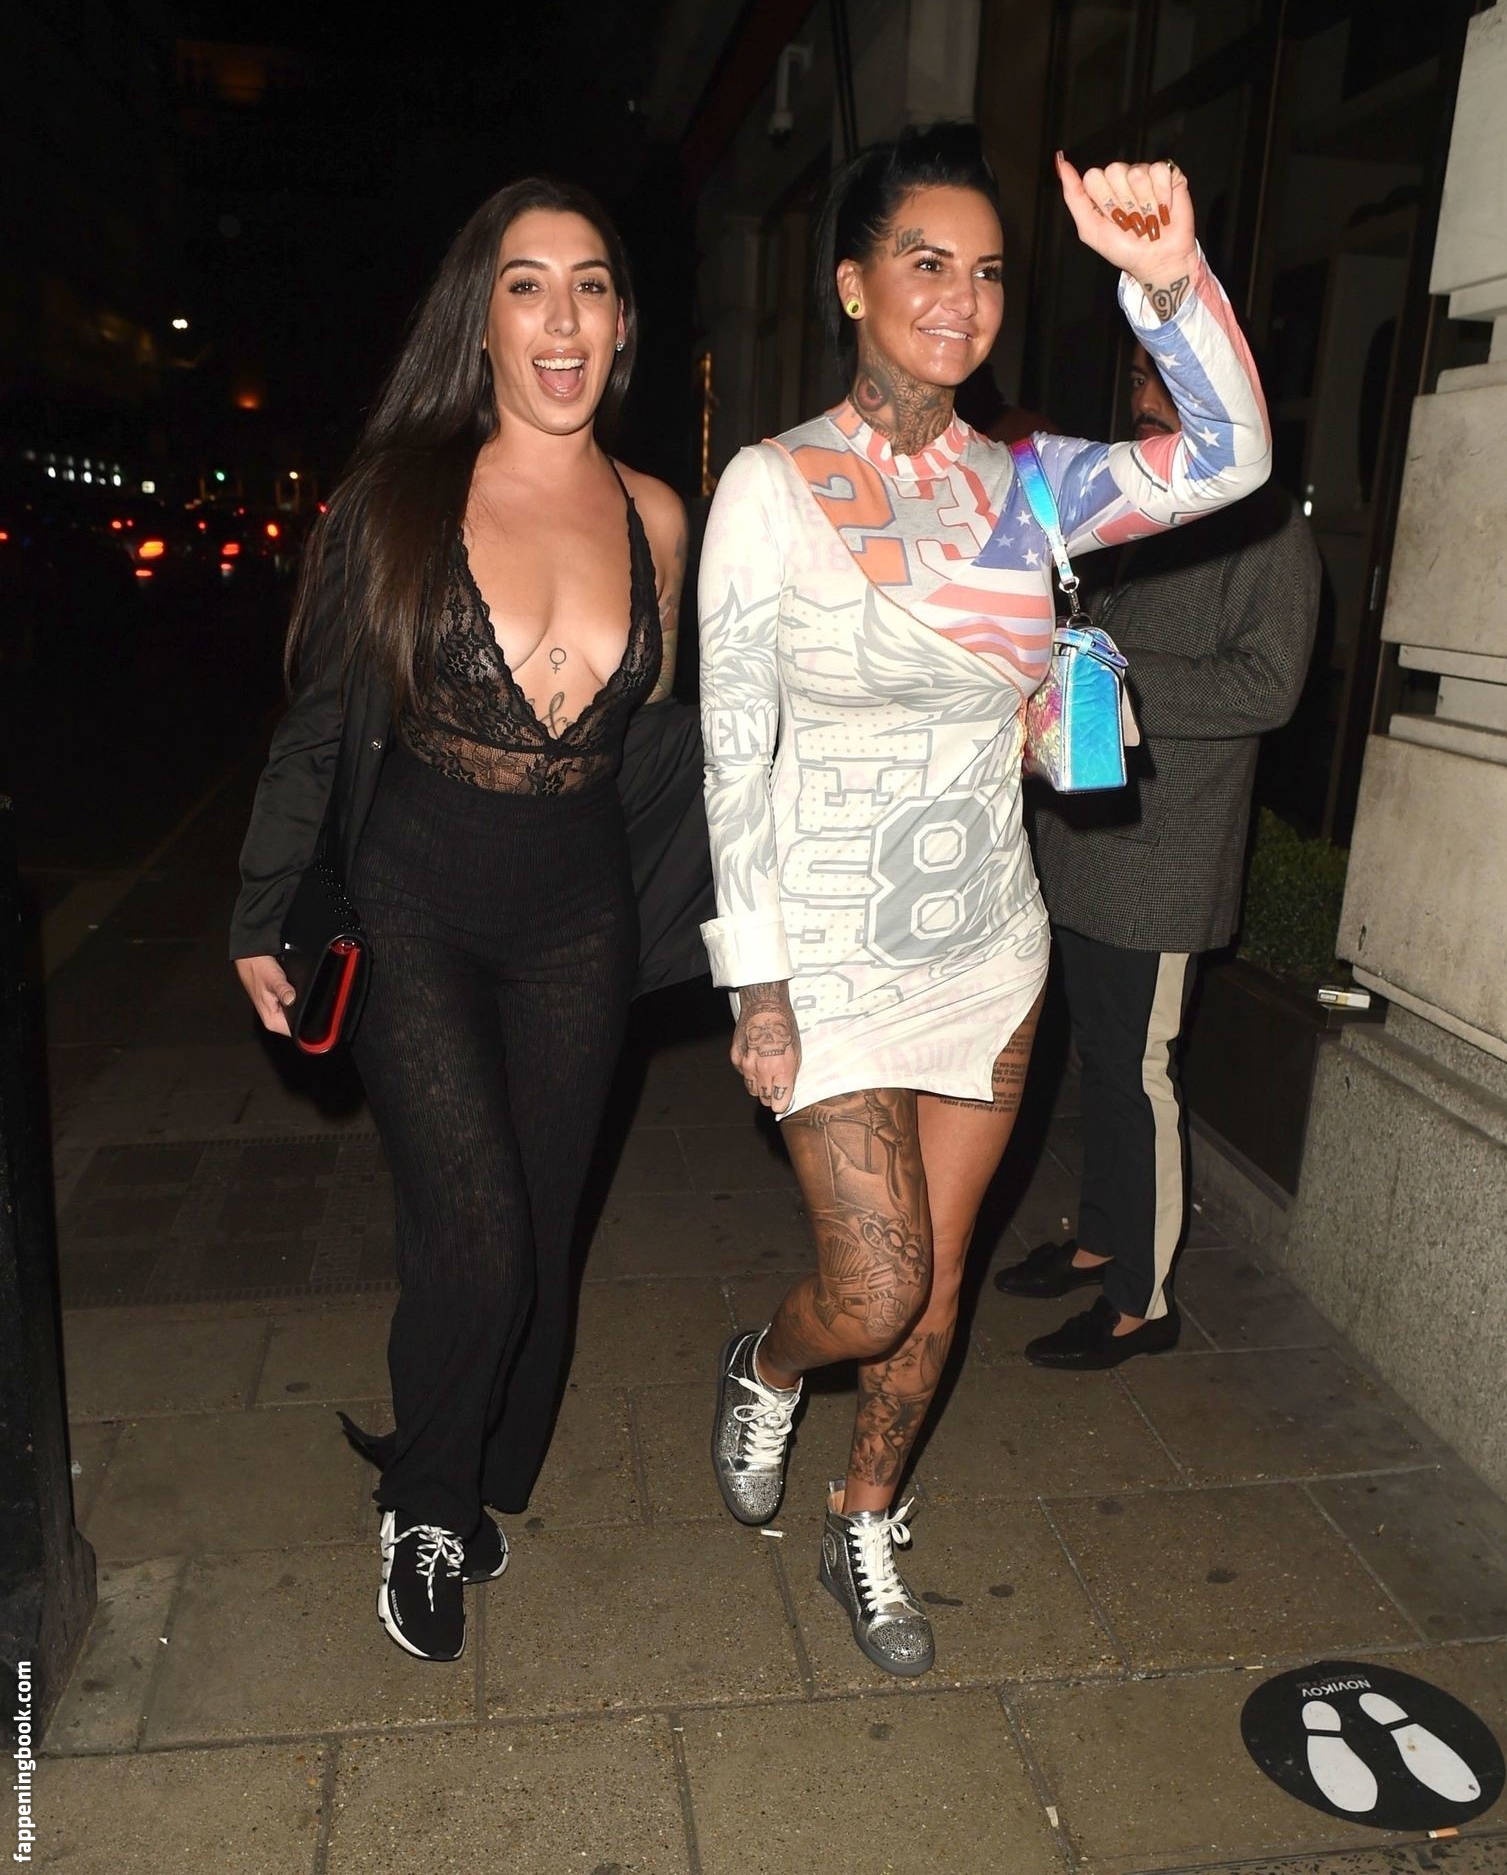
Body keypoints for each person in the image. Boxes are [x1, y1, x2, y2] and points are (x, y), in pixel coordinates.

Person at [696, 125, 1272, 1678]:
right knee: (872, 1285)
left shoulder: (1027, 486)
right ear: (853, 283)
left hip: (987, 950)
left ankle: (865, 1516)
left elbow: (1230, 459)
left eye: (991, 271)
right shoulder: (771, 489)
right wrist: (754, 982)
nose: (961, 297)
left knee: (939, 1282)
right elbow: (731, 751)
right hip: (825, 957)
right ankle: (766, 1367)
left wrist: (1170, 285)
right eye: (926, 261)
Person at [230, 178, 690, 1663]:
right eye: (526, 284)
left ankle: (475, 1462)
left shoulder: (661, 519)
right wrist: (262, 906)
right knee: (478, 1229)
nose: (563, 318)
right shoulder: (401, 498)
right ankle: (422, 1507)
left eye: (591, 285)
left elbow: (670, 751)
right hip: (414, 900)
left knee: (533, 1239)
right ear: (479, 320)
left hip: (578, 926)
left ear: (621, 323)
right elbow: (321, 721)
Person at [997, 340, 1320, 1365]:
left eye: (1164, 380)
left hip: (1165, 858)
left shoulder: (1268, 531)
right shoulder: (1142, 512)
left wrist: (1116, 670)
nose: (1142, 397)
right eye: (1135, 377)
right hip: (1091, 841)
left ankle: (1142, 1302)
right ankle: (1100, 1241)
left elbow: (1269, 686)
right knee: (1098, 1059)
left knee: (1139, 1072)